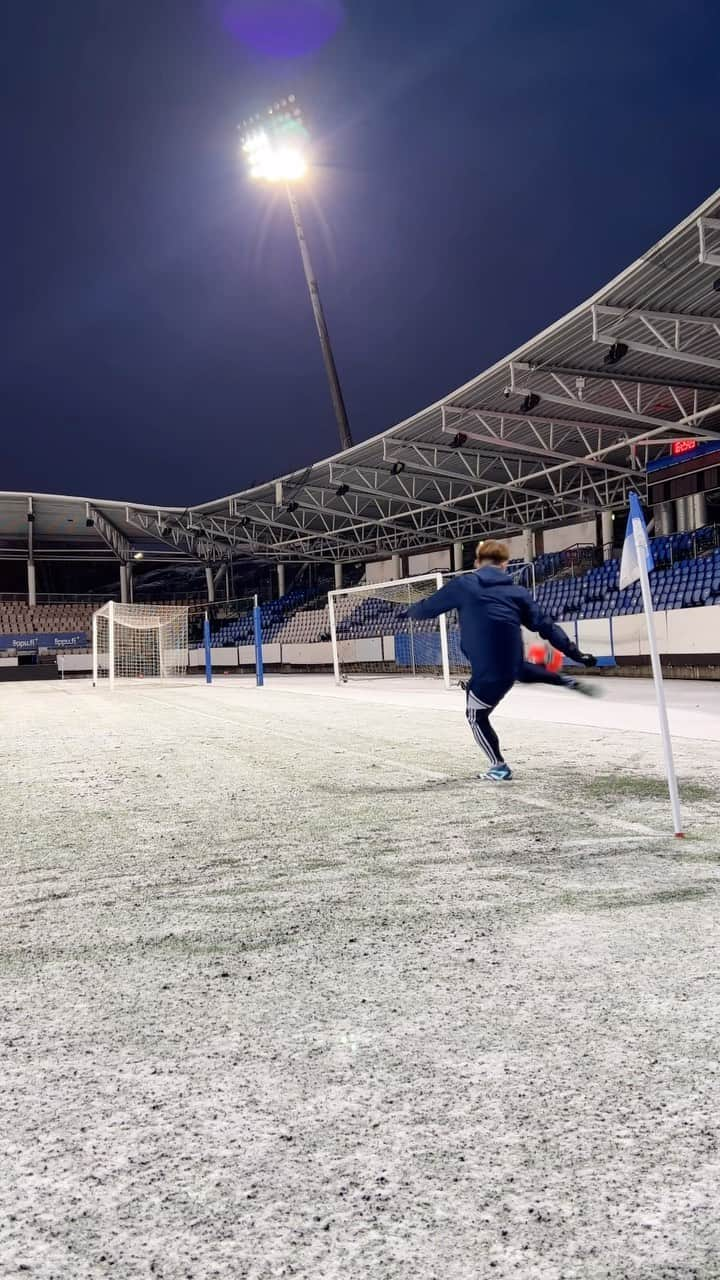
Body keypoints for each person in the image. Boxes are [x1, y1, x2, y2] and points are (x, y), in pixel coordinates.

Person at [406, 539, 600, 782]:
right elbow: (547, 627)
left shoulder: (465, 583)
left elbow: (427, 609)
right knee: (517, 669)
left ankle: (499, 766)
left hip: (487, 671)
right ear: (505, 564)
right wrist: (576, 654)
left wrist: (408, 612)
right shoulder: (517, 592)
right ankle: (564, 680)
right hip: (511, 665)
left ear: (477, 563)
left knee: (476, 717)